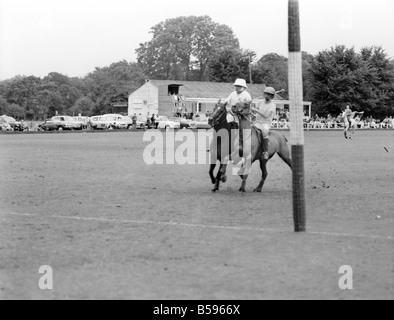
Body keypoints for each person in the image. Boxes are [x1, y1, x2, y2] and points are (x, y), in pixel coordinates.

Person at [251, 86, 277, 160]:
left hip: (265, 124)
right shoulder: (259, 102)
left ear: (271, 96)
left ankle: (265, 152)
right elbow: (255, 112)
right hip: (257, 122)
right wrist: (252, 110)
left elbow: (266, 116)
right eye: (265, 93)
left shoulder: (272, 106)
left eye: (268, 94)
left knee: (264, 132)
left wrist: (256, 110)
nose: (265, 95)